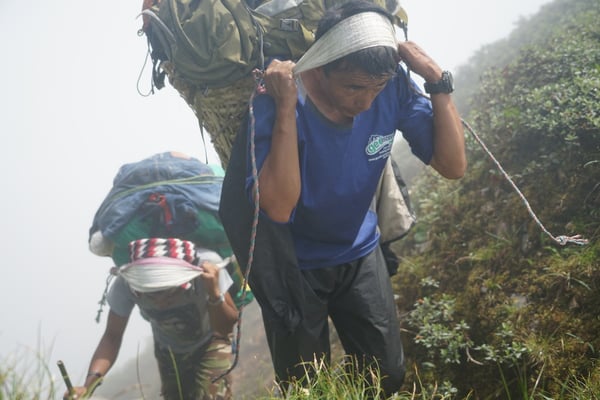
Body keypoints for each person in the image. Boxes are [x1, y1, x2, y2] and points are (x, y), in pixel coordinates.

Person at [220, 0, 467, 396]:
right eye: (353, 87)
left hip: (359, 251)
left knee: (386, 375)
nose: (366, 102)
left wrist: (438, 82)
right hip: (294, 266)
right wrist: (285, 108)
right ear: (321, 66)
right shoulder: (279, 100)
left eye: (376, 88)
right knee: (307, 388)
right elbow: (278, 207)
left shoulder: (391, 86)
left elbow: (452, 165)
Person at [64, 152, 241, 400]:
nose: (159, 300)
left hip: (212, 341)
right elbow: (112, 336)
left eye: (167, 290)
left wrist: (214, 293)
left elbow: (226, 326)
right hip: (168, 348)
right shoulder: (125, 285)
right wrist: (88, 385)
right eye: (150, 292)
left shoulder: (207, 267)